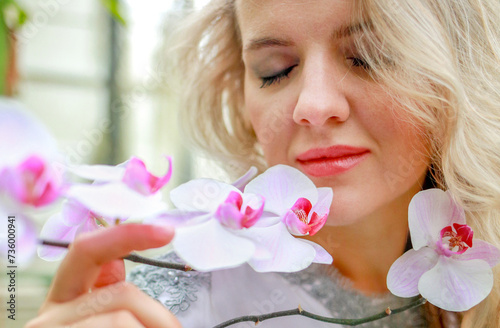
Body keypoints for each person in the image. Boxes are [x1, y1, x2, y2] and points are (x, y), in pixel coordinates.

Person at [27, 0, 500, 327]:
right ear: (239, 91)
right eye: (276, 70)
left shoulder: (479, 267)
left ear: (459, 74)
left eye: (367, 57)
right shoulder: (177, 299)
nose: (313, 105)